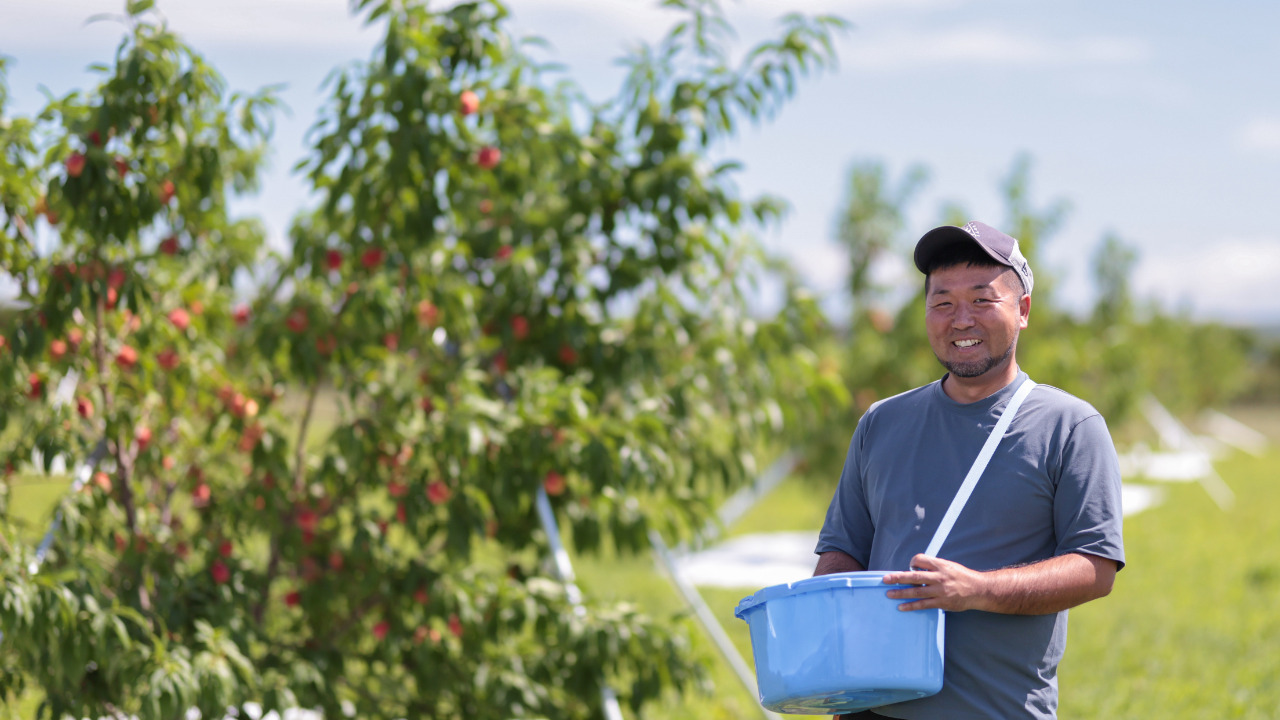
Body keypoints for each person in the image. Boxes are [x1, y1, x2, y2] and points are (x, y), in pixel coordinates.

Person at [814, 221, 1125, 719]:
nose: (960, 319)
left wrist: (978, 591)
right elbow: (843, 549)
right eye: (942, 303)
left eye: (982, 300)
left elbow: (1095, 567)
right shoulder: (882, 422)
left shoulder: (1069, 426)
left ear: (1022, 310)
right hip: (871, 706)